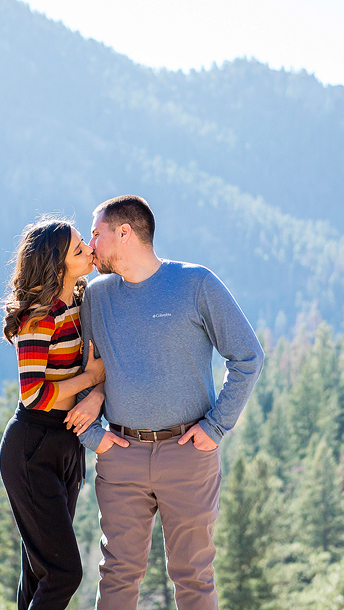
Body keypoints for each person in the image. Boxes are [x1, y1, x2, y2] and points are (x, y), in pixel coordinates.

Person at [72, 195, 264, 610]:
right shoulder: (95, 298)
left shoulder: (196, 284)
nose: (91, 246)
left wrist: (215, 428)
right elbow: (86, 372)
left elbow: (248, 356)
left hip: (188, 456)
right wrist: (93, 436)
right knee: (118, 575)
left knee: (193, 577)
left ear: (124, 233)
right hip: (120, 456)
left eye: (96, 234)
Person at [0, 217, 108, 610]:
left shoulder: (80, 301)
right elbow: (34, 395)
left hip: (66, 443)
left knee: (40, 572)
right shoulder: (38, 316)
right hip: (33, 446)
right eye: (79, 250)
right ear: (56, 265)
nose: (89, 250)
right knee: (64, 574)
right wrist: (90, 379)